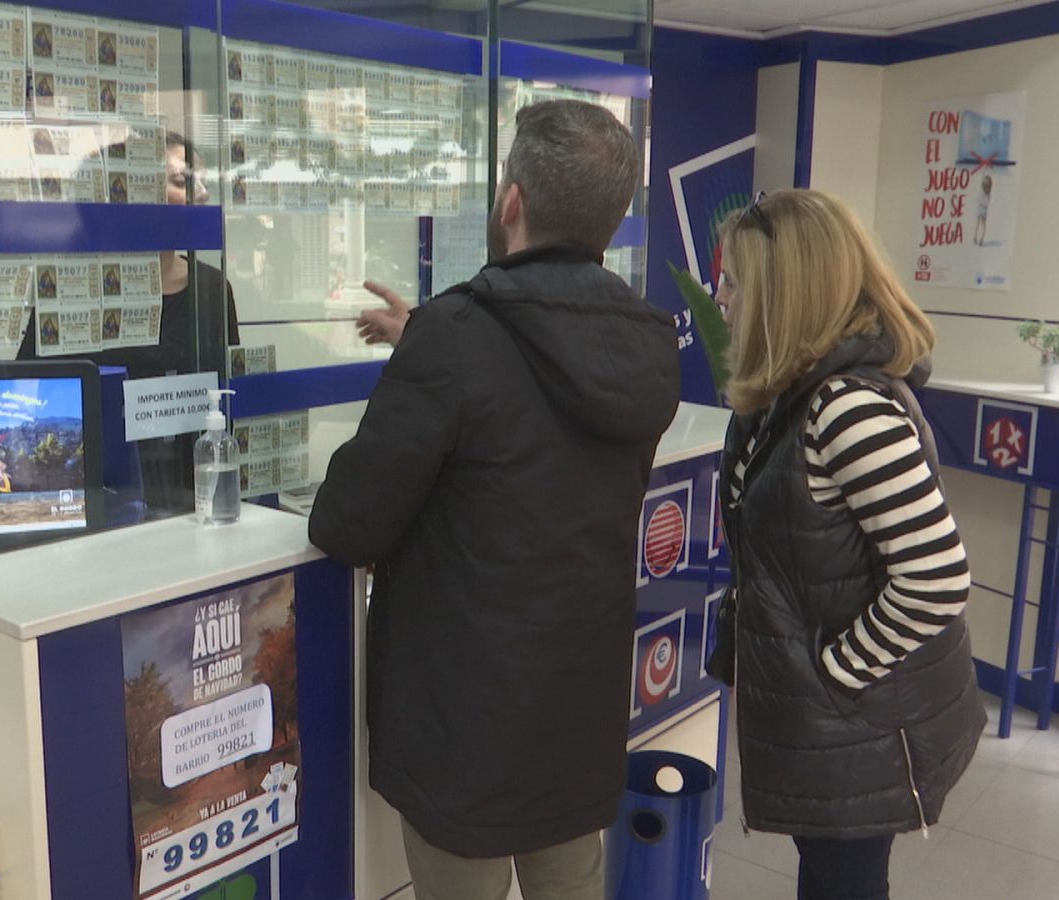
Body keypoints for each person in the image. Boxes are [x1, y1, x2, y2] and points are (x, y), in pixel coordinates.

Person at [307, 100, 681, 900]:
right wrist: (430, 344)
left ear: (510, 202)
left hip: (463, 730)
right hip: (578, 714)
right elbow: (533, 433)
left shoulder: (458, 336)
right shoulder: (647, 341)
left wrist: (428, 353)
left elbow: (347, 520)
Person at [710, 189, 985, 900]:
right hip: (831, 728)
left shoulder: (847, 409)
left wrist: (832, 676)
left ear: (784, 295)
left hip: (859, 725)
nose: (721, 298)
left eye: (735, 282)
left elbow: (936, 580)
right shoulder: (788, 395)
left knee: (843, 882)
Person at [17, 132, 239, 516]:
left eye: (203, 182)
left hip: (197, 505)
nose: (202, 195)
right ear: (127, 195)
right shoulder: (71, 295)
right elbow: (34, 408)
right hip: (101, 511)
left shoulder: (211, 289)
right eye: (183, 181)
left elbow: (229, 397)